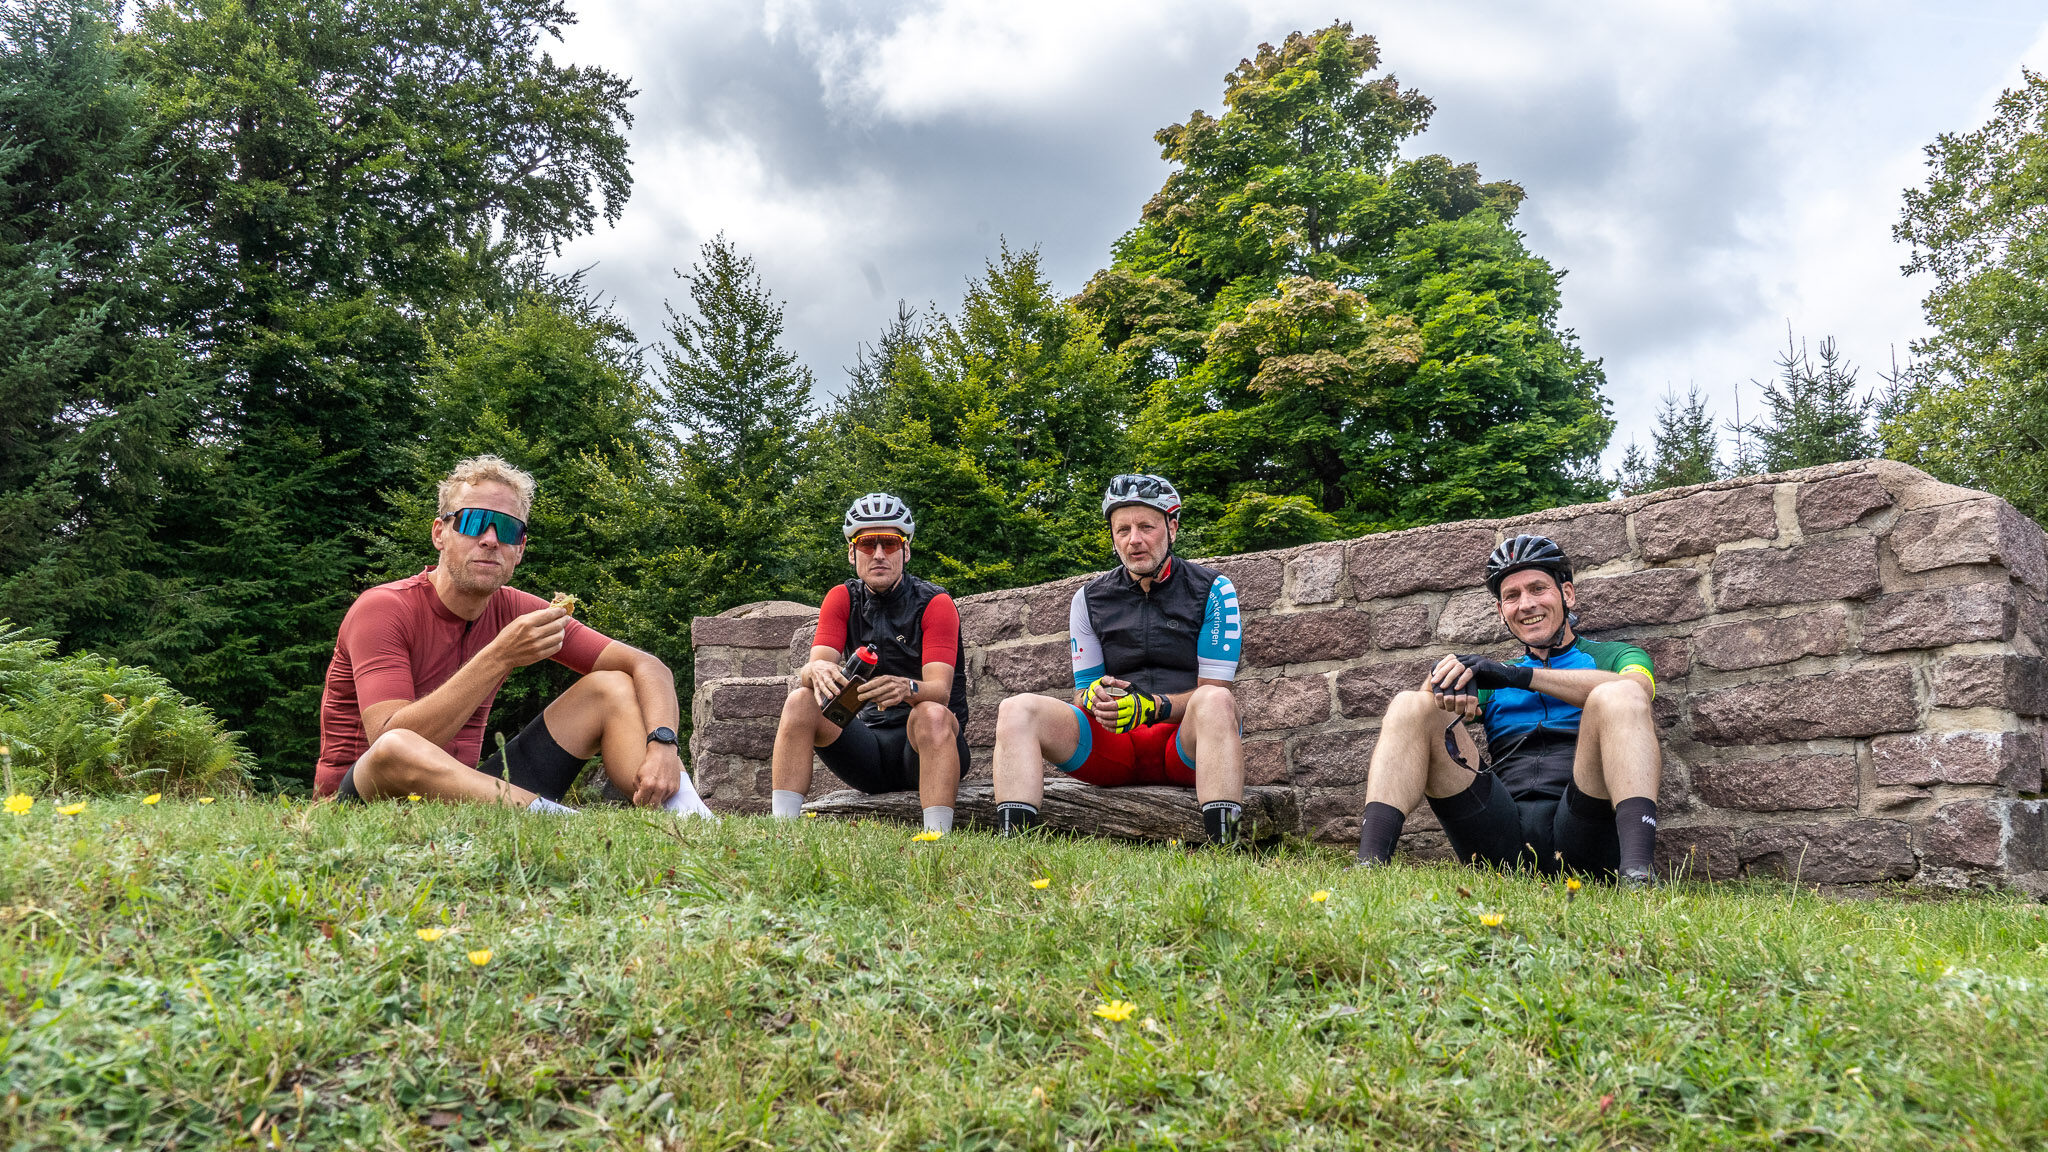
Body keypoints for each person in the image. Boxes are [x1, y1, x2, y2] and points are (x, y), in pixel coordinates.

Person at [313, 455, 713, 817]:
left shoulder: (518, 608)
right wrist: (499, 655)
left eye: (506, 529)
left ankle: (688, 816)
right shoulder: (383, 608)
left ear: (519, 549)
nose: (490, 540)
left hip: (462, 798)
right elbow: (387, 741)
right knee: (395, 748)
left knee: (610, 686)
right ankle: (568, 825)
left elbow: (648, 666)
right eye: (471, 521)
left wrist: (663, 744)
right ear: (440, 533)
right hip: (363, 801)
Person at [1354, 534, 1660, 882]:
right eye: (1512, 596)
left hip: (1585, 823)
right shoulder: (1492, 677)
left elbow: (1639, 689)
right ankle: (1369, 867)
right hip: (1499, 840)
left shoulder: (1613, 657)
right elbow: (1426, 714)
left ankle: (1638, 874)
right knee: (1410, 703)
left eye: (1537, 589)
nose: (1526, 604)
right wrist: (1446, 679)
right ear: (1502, 612)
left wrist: (1517, 676)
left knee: (1619, 694)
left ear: (1568, 595)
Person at [991, 474, 1246, 845]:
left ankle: (1226, 848)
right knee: (1016, 708)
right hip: (1117, 747)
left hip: (1184, 747)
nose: (1134, 540)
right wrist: (1094, 696)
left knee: (1218, 701)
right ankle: (1013, 847)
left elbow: (1215, 691)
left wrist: (1151, 707)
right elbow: (1082, 694)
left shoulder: (1213, 589)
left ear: (1172, 528)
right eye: (1122, 529)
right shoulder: (1089, 598)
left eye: (1146, 527)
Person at [770, 494, 968, 834]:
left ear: (906, 551)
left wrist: (906, 688)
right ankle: (781, 830)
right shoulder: (842, 597)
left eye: (890, 544)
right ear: (852, 553)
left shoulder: (935, 603)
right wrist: (814, 670)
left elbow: (941, 691)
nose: (878, 555)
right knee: (800, 700)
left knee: (931, 712)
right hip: (868, 749)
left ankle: (938, 837)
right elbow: (813, 671)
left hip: (924, 745)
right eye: (866, 544)